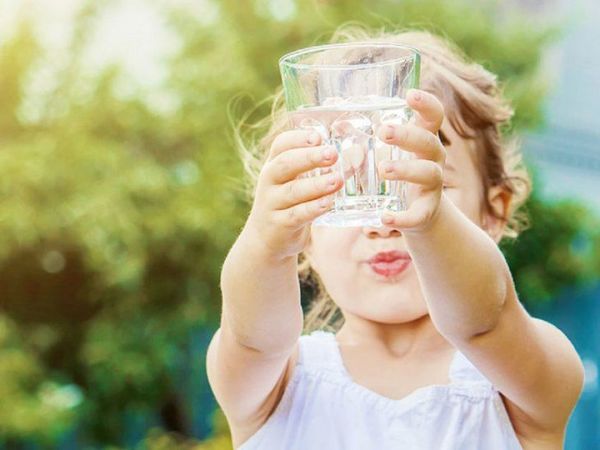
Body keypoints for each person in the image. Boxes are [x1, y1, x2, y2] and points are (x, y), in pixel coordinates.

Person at [206, 27, 584, 449]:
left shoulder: (522, 382)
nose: (385, 221)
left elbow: (484, 321)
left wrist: (431, 222)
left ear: (493, 212)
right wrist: (264, 241)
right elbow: (250, 337)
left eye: (421, 179)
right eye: (347, 185)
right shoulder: (273, 383)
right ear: (304, 236)